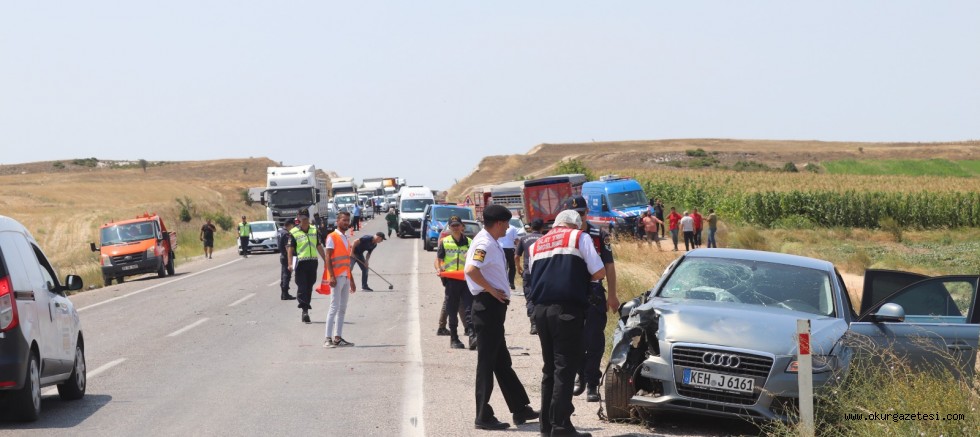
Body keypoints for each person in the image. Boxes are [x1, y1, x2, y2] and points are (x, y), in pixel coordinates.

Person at [528, 210, 606, 437]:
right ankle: (561, 426)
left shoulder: (537, 244)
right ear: (576, 225)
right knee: (565, 369)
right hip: (567, 311)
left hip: (541, 312)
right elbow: (599, 270)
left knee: (549, 369)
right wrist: (581, 282)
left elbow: (535, 276)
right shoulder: (579, 237)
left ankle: (547, 426)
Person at [464, 205, 538, 430]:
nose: (508, 227)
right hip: (487, 308)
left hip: (493, 310)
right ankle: (483, 416)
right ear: (498, 223)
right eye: (506, 223)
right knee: (487, 363)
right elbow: (471, 270)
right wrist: (491, 289)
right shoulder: (484, 243)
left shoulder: (491, 240)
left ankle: (520, 408)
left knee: (502, 362)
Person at [563, 196, 619, 403]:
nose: (580, 217)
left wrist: (612, 294)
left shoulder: (599, 234)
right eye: (575, 214)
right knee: (574, 339)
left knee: (594, 339)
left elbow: (610, 266)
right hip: (571, 294)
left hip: (594, 293)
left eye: (583, 213)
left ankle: (593, 383)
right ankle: (582, 375)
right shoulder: (565, 237)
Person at [435, 216, 474, 349]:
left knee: (469, 308)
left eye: (458, 225)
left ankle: (472, 336)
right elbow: (439, 260)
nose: (455, 228)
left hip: (466, 280)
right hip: (451, 281)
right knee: (452, 310)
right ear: (449, 227)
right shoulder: (445, 242)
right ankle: (454, 338)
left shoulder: (469, 242)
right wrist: (440, 268)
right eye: (453, 226)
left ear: (462, 226)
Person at [324, 211, 356, 348]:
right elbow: (328, 257)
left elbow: (347, 261)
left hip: (345, 276)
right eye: (344, 220)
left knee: (342, 309)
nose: (346, 222)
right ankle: (327, 339)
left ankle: (338, 338)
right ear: (337, 221)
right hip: (336, 277)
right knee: (334, 308)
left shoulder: (345, 238)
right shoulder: (332, 237)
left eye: (348, 220)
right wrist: (331, 276)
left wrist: (352, 280)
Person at [286, 212, 326, 322]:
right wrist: (290, 263)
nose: (304, 221)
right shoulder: (294, 232)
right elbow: (290, 249)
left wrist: (325, 259)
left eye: (306, 219)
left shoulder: (314, 230)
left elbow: (318, 246)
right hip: (300, 263)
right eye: (302, 219)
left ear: (308, 218)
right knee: (302, 286)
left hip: (312, 262)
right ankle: (304, 310)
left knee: (309, 287)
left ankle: (306, 308)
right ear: (299, 219)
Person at [514, 218, 545, 335]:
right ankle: (542, 323)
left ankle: (534, 324)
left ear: (531, 227)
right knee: (541, 297)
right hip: (541, 272)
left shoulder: (523, 238)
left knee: (530, 297)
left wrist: (518, 268)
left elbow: (516, 256)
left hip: (528, 273)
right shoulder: (544, 238)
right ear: (542, 228)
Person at [277, 219, 297, 300]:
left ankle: (283, 294)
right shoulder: (287, 234)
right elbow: (287, 247)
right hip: (286, 257)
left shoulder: (281, 232)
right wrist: (291, 258)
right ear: (290, 225)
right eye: (293, 226)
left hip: (282, 256)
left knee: (283, 275)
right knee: (286, 275)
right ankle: (285, 293)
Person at [497, 218, 519, 290]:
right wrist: (518, 249)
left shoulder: (498, 227)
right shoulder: (513, 228)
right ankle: (511, 282)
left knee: (503, 266)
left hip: (501, 249)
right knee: (512, 266)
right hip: (510, 249)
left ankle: (504, 282)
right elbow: (516, 240)